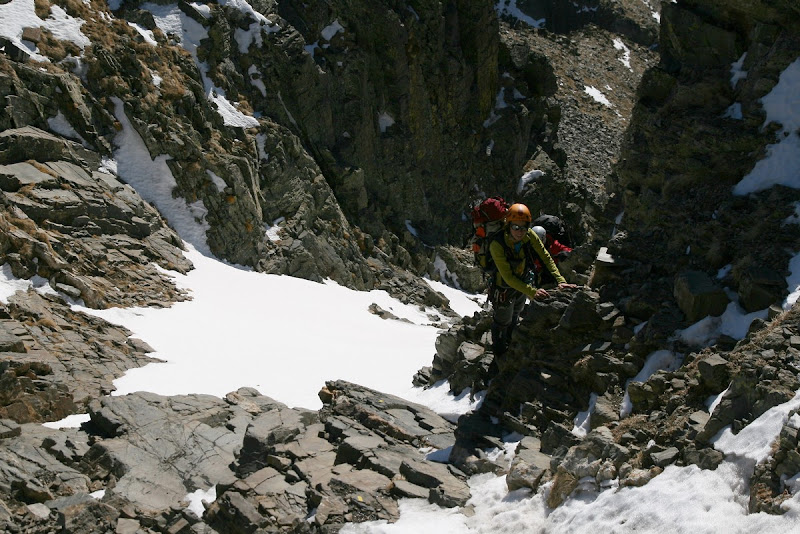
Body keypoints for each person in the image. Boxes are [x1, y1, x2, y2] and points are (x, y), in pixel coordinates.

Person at [488, 204, 576, 360]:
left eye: (523, 227)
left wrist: (560, 280)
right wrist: (532, 292)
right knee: (503, 320)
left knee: (516, 312)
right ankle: (499, 352)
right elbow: (508, 277)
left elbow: (546, 256)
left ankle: (509, 342)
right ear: (508, 225)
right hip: (503, 287)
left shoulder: (529, 235)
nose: (520, 231)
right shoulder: (497, 244)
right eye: (516, 227)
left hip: (522, 282)